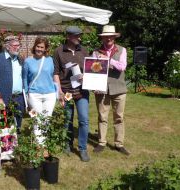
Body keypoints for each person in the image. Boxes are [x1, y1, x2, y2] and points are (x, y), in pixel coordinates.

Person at [53, 26, 90, 162]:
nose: (80, 38)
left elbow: (91, 69)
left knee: (84, 119)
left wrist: (86, 76)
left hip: (82, 91)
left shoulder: (84, 50)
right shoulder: (58, 51)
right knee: (67, 119)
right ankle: (67, 144)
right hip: (67, 92)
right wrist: (59, 91)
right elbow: (56, 72)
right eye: (77, 36)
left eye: (80, 35)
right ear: (68, 36)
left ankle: (82, 148)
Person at [92, 25, 130, 156]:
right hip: (101, 89)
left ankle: (119, 144)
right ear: (102, 38)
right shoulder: (96, 52)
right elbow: (93, 71)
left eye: (110, 36)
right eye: (105, 36)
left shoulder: (122, 50)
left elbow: (122, 67)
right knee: (102, 117)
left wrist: (108, 60)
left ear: (114, 37)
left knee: (119, 117)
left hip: (119, 89)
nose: (108, 38)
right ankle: (101, 142)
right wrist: (94, 85)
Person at [22, 37, 57, 143]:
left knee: (46, 119)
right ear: (34, 46)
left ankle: (43, 142)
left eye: (42, 47)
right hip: (34, 94)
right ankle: (39, 146)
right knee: (37, 119)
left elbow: (53, 75)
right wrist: (27, 93)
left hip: (49, 94)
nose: (39, 49)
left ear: (46, 49)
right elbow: (24, 78)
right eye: (38, 46)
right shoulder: (28, 61)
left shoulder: (50, 60)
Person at [0, 35, 25, 134]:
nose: (17, 47)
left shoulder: (20, 59)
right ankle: (5, 147)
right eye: (15, 45)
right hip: (4, 98)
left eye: (19, 45)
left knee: (18, 125)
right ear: (7, 46)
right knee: (4, 126)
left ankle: (16, 145)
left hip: (19, 98)